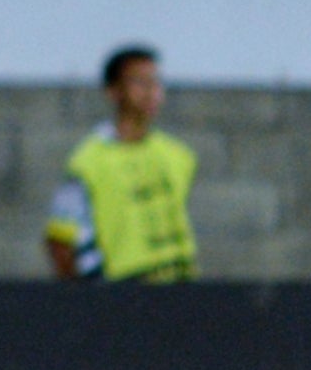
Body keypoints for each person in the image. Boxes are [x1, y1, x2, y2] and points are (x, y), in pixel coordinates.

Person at [45, 47, 198, 282]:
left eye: (155, 82)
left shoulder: (177, 156)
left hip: (180, 287)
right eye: (139, 82)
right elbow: (60, 241)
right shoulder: (88, 162)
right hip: (124, 291)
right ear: (113, 91)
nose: (151, 92)